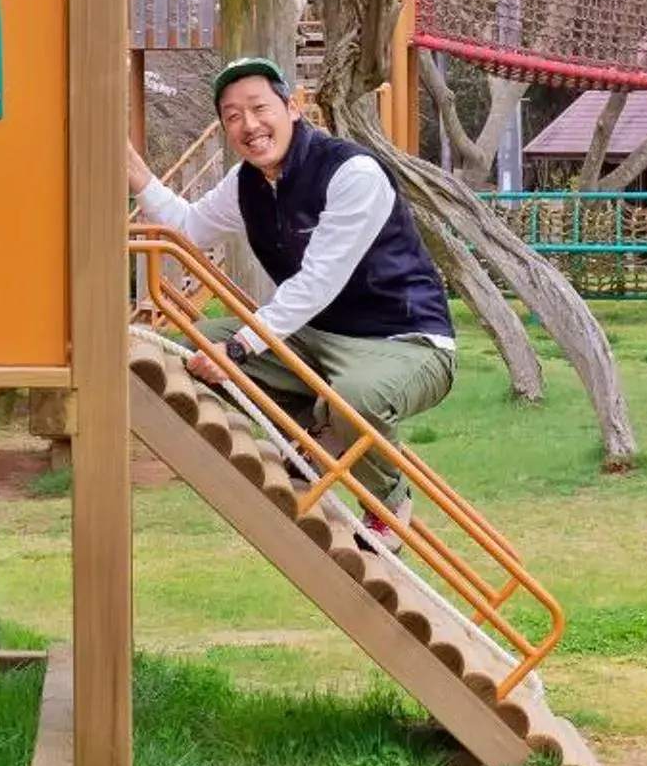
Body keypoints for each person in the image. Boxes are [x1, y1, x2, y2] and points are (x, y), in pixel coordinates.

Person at [129, 56, 455, 519]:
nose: (250, 125)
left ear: (293, 107)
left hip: (405, 340)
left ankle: (387, 502)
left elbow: (317, 281)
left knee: (356, 397)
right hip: (319, 342)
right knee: (187, 354)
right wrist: (134, 172)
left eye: (260, 107)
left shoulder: (352, 173)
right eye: (233, 116)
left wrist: (241, 348)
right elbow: (189, 227)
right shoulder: (247, 184)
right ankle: (316, 435)